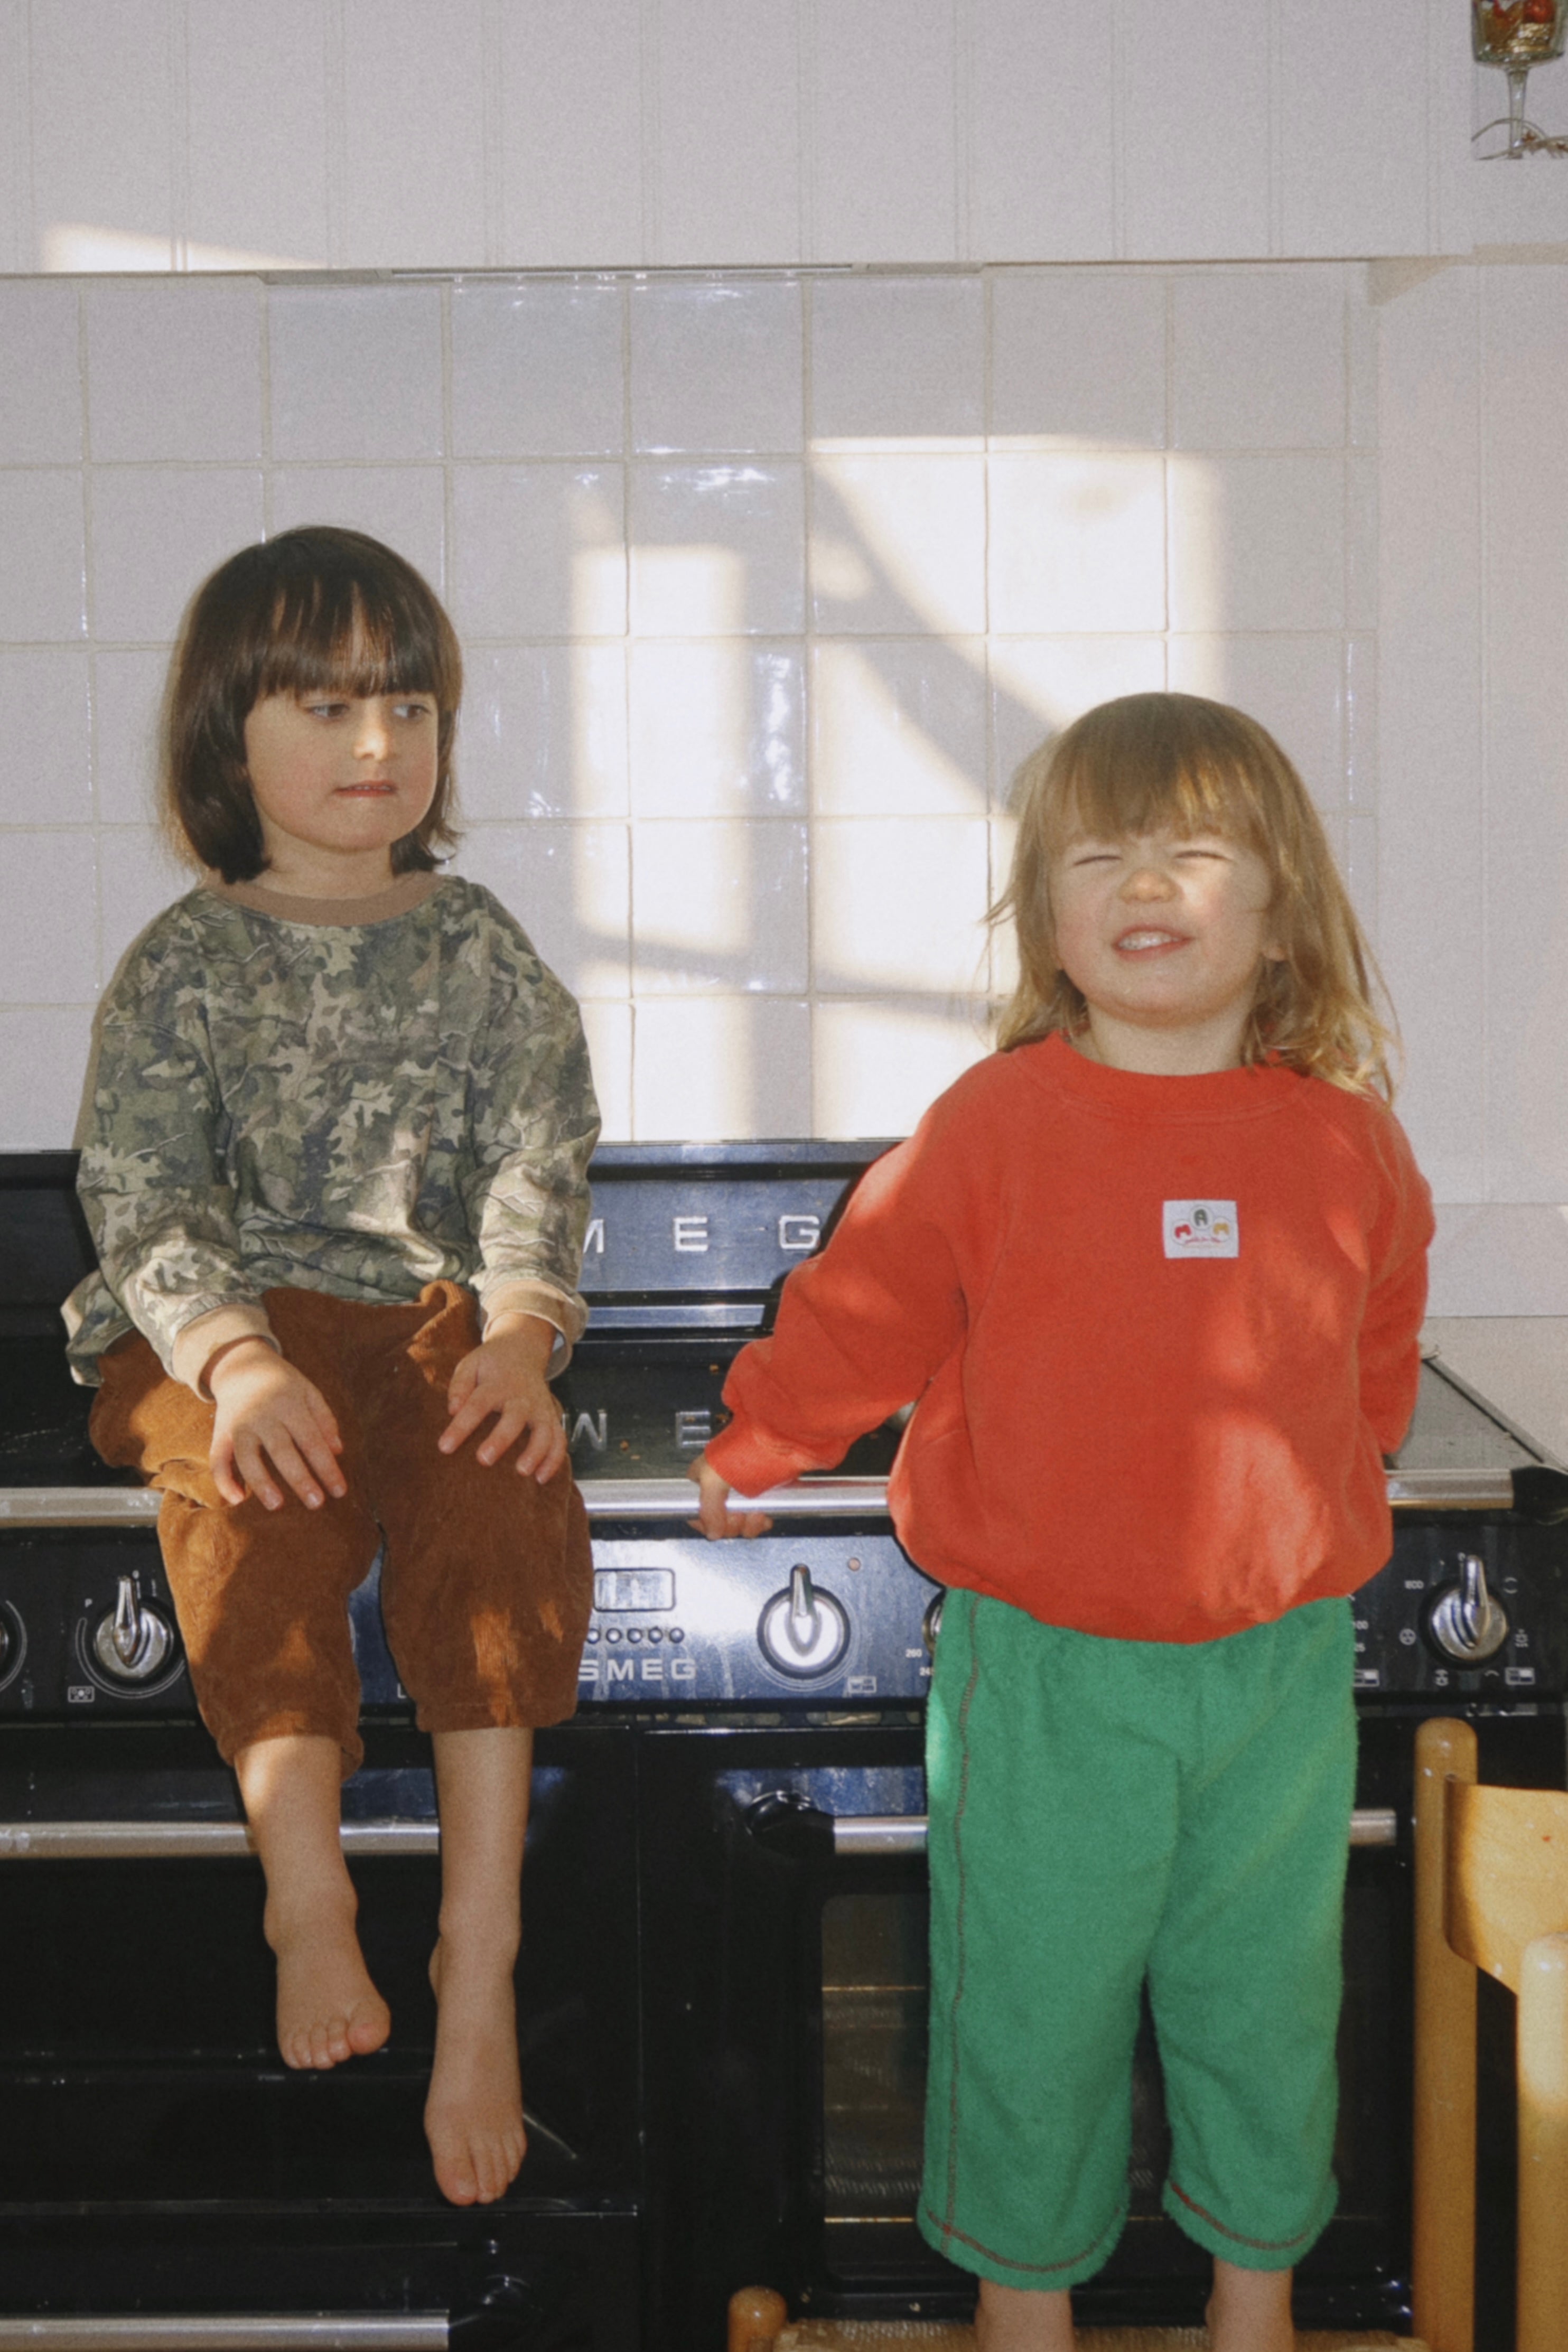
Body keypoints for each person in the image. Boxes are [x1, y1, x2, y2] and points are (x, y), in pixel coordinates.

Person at [689, 693, 1434, 2352]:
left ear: (1281, 903)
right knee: (1032, 2021)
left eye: (1193, 845)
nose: (1144, 877)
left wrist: (1352, 1452)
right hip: (1048, 1679)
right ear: (1049, 917)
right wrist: (760, 1441)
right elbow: (859, 1310)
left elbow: (1378, 1343)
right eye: (1098, 851)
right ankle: (1024, 2321)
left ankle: (1260, 2312)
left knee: (1264, 2011)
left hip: (1278, 1675)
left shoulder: (1347, 1146)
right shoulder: (995, 1126)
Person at [64, 526, 600, 2210]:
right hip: (218, 1334)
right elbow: (141, 1190)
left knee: (501, 1517)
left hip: (431, 1321)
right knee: (260, 1523)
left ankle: (481, 1951)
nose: (379, 745)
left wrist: (521, 1336)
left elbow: (540, 1148)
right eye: (325, 705)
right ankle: (304, 1888)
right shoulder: (184, 966)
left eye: (411, 703)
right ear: (228, 736)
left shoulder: (482, 947)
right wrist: (230, 1360)